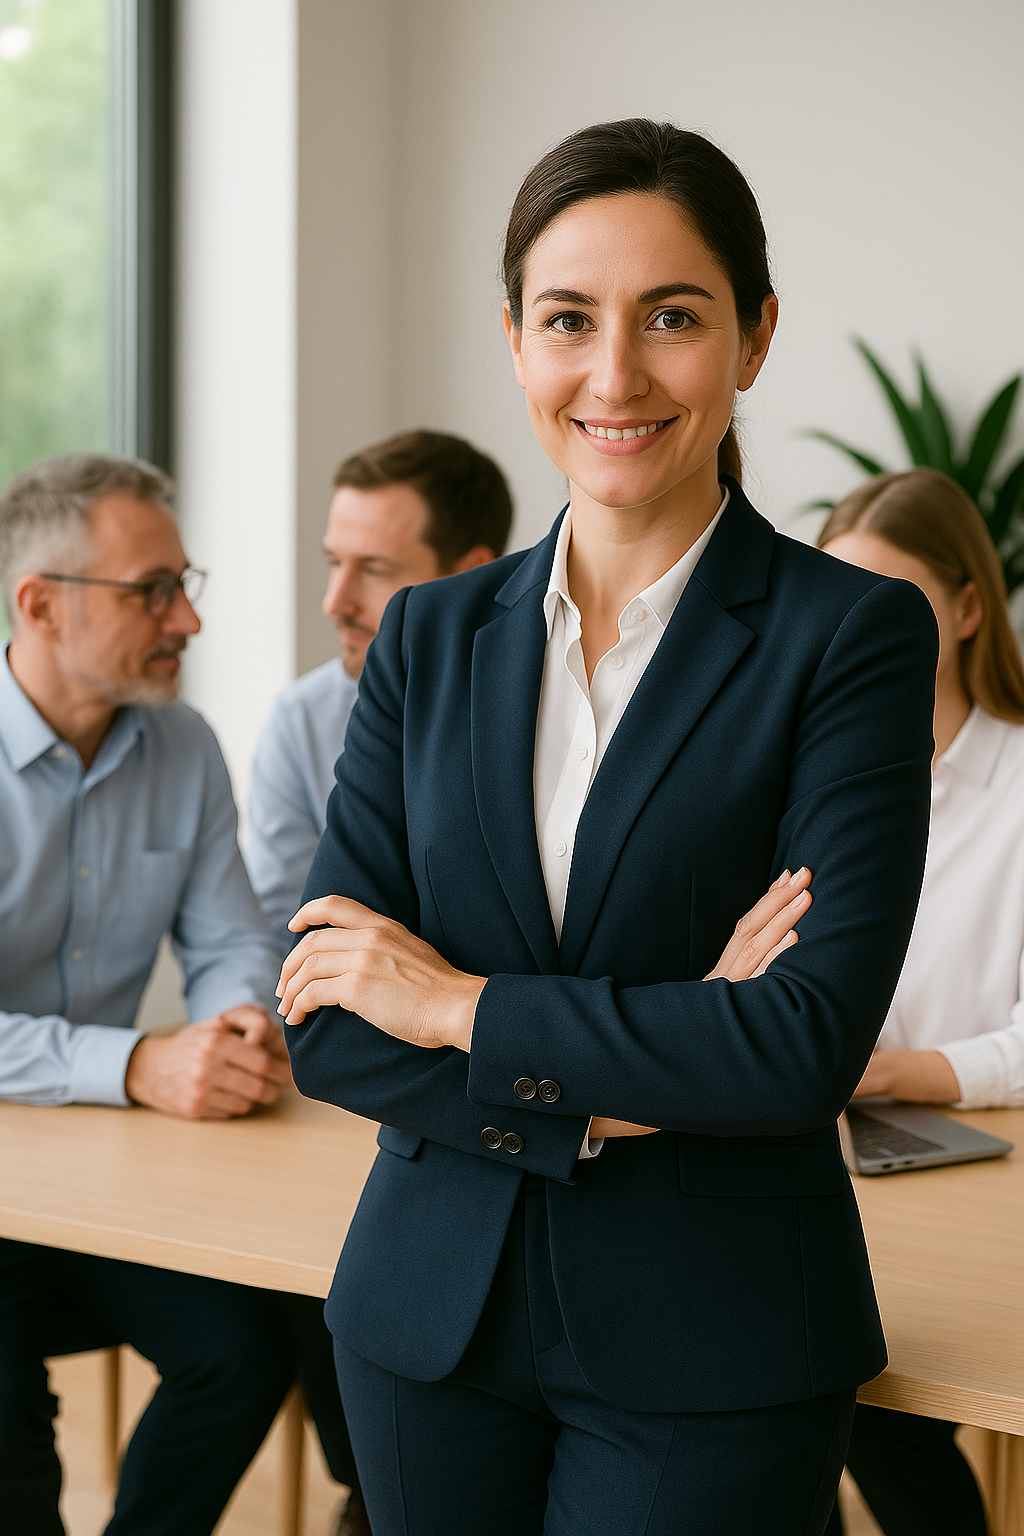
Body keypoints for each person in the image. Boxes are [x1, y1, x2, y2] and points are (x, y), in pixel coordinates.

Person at [278, 120, 939, 1536]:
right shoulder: (428, 638)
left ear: (755, 337)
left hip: (715, 1338)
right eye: (570, 319)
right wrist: (658, 1055)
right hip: (423, 1324)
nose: (617, 374)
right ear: (516, 340)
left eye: (675, 318)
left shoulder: (850, 638)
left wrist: (456, 1005)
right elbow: (327, 1019)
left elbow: (801, 1045)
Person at [0, 452, 297, 1535]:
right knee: (10, 1452)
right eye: (151, 593)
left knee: (249, 1351)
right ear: (39, 605)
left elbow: (230, 938)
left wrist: (234, 1019)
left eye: (186, 584)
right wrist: (133, 1063)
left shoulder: (186, 746)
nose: (188, 620)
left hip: (101, 1184)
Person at [818, 466, 1024, 1536]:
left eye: (887, 605)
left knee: (869, 1397)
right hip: (825, 1155)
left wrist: (893, 1072)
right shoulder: (798, 785)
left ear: (965, 607)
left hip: (973, 1180)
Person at [247, 430, 512, 955]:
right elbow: (285, 926)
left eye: (373, 570)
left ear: (470, 573)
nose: (334, 601)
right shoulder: (302, 717)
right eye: (334, 563)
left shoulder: (548, 705)